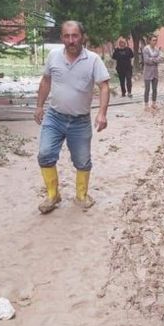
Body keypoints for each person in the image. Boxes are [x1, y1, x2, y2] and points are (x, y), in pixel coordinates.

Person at [34, 20, 110, 214]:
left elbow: (104, 86)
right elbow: (46, 80)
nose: (71, 40)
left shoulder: (93, 59)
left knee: (83, 161)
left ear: (82, 37)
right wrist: (39, 106)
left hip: (80, 121)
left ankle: (81, 195)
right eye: (67, 36)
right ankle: (53, 195)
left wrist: (102, 113)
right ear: (62, 38)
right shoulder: (53, 56)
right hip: (54, 117)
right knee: (45, 154)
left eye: (75, 35)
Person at [142, 35, 161, 110]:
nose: (155, 42)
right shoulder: (146, 49)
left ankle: (154, 103)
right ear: (149, 41)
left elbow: (160, 58)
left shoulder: (157, 49)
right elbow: (146, 60)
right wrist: (155, 60)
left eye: (156, 40)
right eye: (153, 40)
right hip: (147, 72)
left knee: (155, 89)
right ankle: (146, 104)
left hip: (155, 72)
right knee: (147, 89)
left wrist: (153, 59)